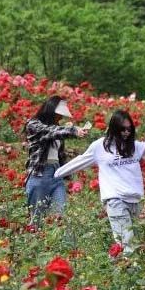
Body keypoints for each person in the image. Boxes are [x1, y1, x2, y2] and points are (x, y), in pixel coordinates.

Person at [54, 110, 145, 255]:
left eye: (129, 129)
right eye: (122, 129)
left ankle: (121, 268)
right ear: (114, 128)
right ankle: (129, 273)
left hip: (135, 200)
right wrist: (57, 173)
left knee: (135, 244)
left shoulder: (133, 146)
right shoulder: (100, 146)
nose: (126, 132)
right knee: (127, 244)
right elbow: (81, 160)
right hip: (115, 200)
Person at [24, 95, 88, 226]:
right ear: (50, 111)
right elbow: (49, 131)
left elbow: (58, 146)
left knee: (59, 216)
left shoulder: (57, 129)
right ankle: (37, 244)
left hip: (56, 174)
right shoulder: (33, 124)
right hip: (39, 175)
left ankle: (61, 245)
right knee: (37, 220)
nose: (61, 118)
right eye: (59, 114)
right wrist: (72, 130)